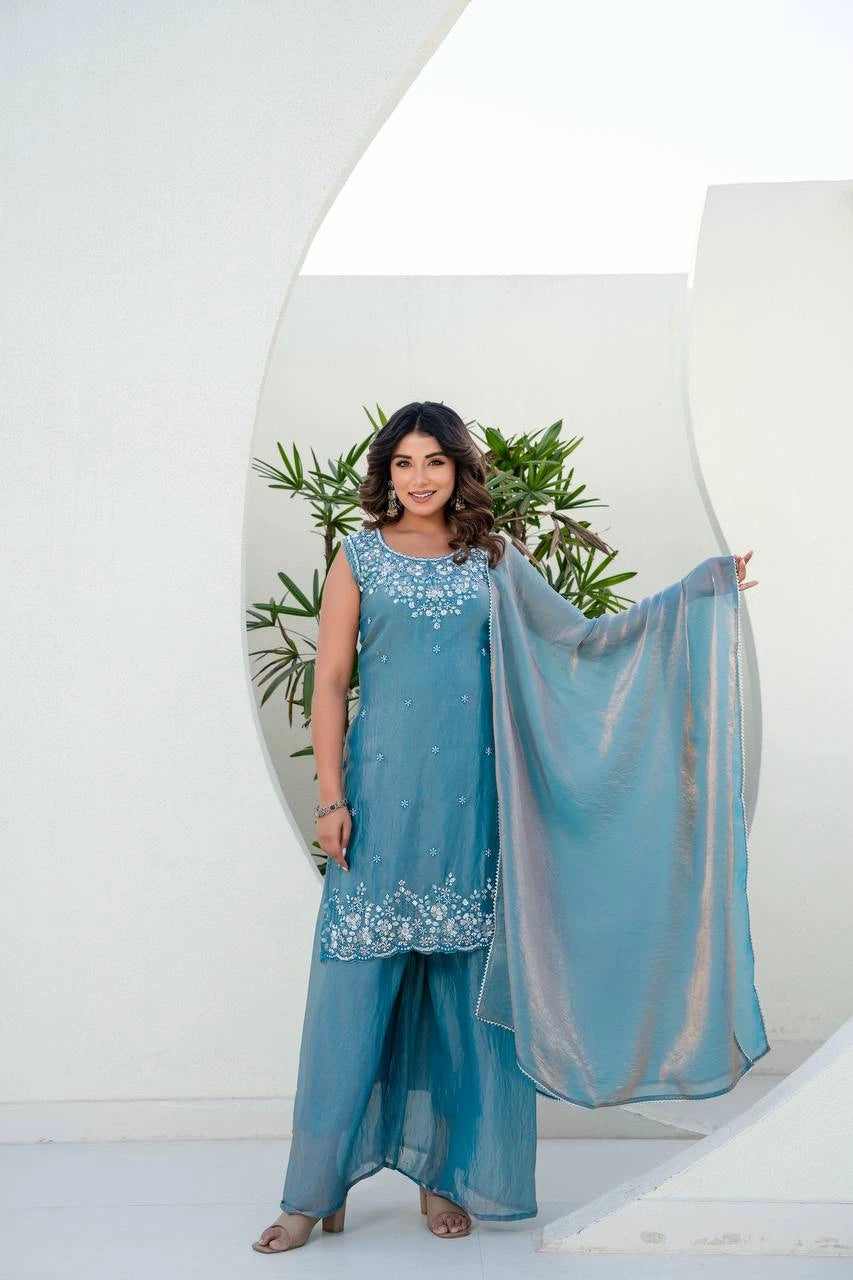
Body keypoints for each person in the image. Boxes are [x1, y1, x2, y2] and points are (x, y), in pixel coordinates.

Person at [252, 400, 763, 1254]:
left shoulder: (491, 559)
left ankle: (443, 1178)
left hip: (471, 806)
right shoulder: (359, 556)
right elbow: (331, 682)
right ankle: (312, 1191)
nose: (419, 478)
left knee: (462, 998)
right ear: (386, 473)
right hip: (380, 801)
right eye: (404, 463)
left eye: (435, 462)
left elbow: (582, 643)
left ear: (459, 470)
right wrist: (331, 800)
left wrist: (694, 594)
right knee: (352, 994)